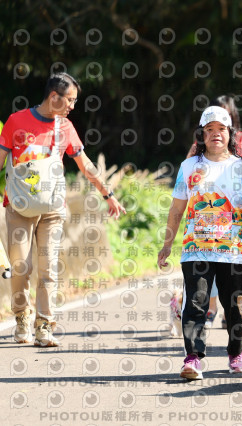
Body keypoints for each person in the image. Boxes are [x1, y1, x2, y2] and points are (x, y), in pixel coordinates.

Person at [0, 73, 126, 347]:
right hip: (19, 207)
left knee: (48, 269)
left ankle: (44, 326)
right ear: (53, 97)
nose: (72, 106)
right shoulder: (16, 121)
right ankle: (21, 317)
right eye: (70, 100)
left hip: (53, 208)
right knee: (21, 267)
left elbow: (85, 164)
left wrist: (108, 194)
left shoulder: (65, 127)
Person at [158, 105, 242, 380]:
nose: (216, 134)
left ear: (230, 134)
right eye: (209, 129)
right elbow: (177, 208)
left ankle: (236, 353)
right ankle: (193, 358)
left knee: (235, 305)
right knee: (195, 303)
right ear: (201, 134)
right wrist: (167, 244)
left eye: (221, 129)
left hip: (234, 249)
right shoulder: (189, 167)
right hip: (197, 248)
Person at [187, 95, 242, 330]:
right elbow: (189, 173)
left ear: (232, 117)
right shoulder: (201, 144)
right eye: (210, 123)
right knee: (206, 268)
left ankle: (231, 317)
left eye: (223, 115)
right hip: (206, 217)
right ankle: (210, 309)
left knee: (230, 274)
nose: (216, 127)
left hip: (236, 214)